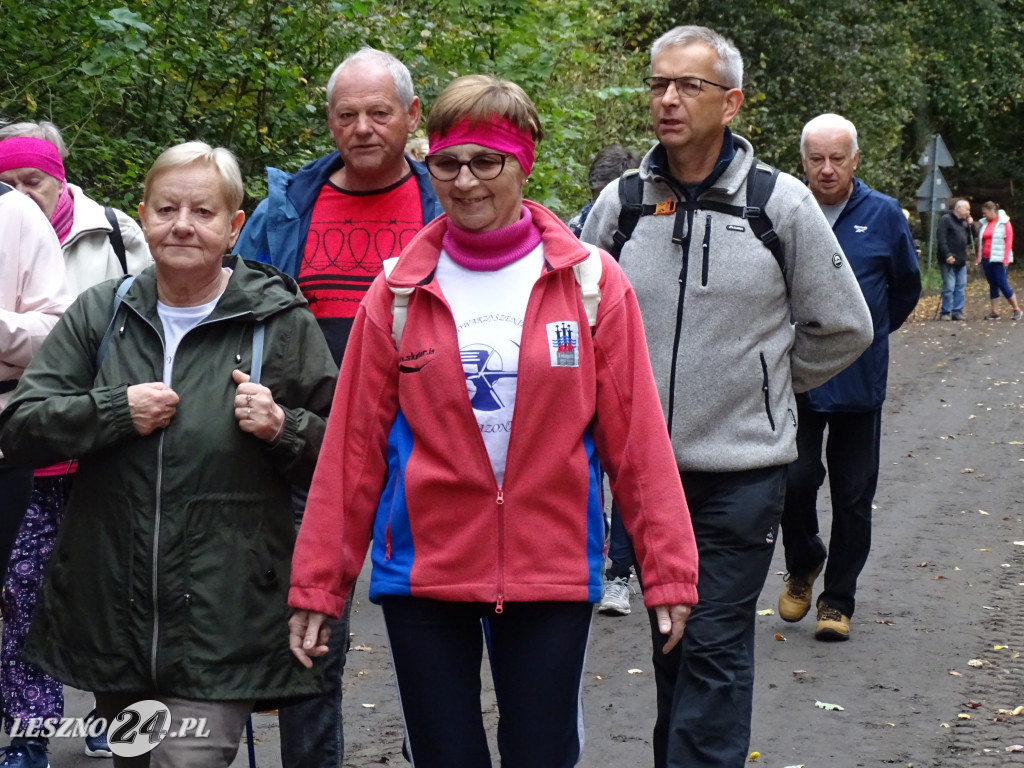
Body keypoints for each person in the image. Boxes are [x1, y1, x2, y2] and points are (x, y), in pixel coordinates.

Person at [287, 74, 699, 768]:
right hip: (425, 570)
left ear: (523, 162)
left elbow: (635, 441)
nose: (466, 181)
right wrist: (319, 584)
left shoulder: (590, 283)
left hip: (552, 566)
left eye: (487, 161)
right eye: (447, 163)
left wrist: (668, 571)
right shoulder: (397, 290)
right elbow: (353, 453)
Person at [580, 25, 873, 768]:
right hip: (646, 477)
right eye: (658, 85)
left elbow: (844, 326)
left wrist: (769, 386)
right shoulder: (620, 206)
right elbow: (578, 325)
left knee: (711, 641)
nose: (668, 100)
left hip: (743, 470)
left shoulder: (783, 205)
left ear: (731, 102)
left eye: (688, 86)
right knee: (673, 642)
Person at [0, 141, 338, 768]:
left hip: (224, 610)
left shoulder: (277, 321)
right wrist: (111, 411)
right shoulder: (101, 313)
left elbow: (343, 452)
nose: (183, 224)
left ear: (234, 226)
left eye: (203, 212)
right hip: (114, 608)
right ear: (143, 216)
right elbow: (21, 426)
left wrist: (282, 426)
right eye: (167, 208)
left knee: (188, 758)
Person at [234, 47, 441, 768]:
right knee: (310, 635)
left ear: (411, 117)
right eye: (346, 114)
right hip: (310, 451)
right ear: (329, 119)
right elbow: (241, 316)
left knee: (436, 640)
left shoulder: (445, 204)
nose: (361, 128)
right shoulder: (287, 208)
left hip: (426, 454)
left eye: (378, 113)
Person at [0, 123, 153, 766]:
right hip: (29, 434)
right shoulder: (11, 227)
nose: (23, 193)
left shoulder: (113, 231)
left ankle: (109, 709)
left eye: (33, 179)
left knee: (97, 581)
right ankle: (31, 727)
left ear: (58, 176)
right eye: (9, 182)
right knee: (21, 587)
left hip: (100, 432)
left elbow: (149, 313)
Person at [777, 113, 921, 643]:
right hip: (800, 379)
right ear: (804, 161)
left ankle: (837, 601)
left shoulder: (883, 215)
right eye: (817, 158)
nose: (828, 168)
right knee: (793, 482)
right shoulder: (787, 211)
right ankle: (804, 560)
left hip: (861, 384)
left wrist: (869, 336)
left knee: (854, 496)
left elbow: (905, 289)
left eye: (838, 157)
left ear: (856, 159)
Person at [567, 144, 639, 237]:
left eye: (612, 203)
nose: (604, 210)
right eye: (598, 200)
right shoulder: (575, 229)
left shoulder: (642, 231)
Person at [976, 201, 1020, 320]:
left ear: (992, 210)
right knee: (992, 284)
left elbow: (1009, 241)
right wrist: (978, 256)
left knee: (1002, 283)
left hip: (999, 258)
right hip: (986, 257)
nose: (984, 215)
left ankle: (1016, 309)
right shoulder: (985, 223)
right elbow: (981, 241)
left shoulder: (1004, 222)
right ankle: (995, 311)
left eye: (985, 213)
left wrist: (1006, 258)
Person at [936, 199, 972, 321]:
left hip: (961, 259)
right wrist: (947, 255)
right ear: (958, 209)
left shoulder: (963, 223)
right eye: (966, 209)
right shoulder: (946, 219)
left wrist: (969, 226)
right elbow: (941, 238)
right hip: (948, 259)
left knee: (960, 286)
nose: (968, 212)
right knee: (949, 286)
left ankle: (957, 311)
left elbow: (969, 239)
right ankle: (945, 311)